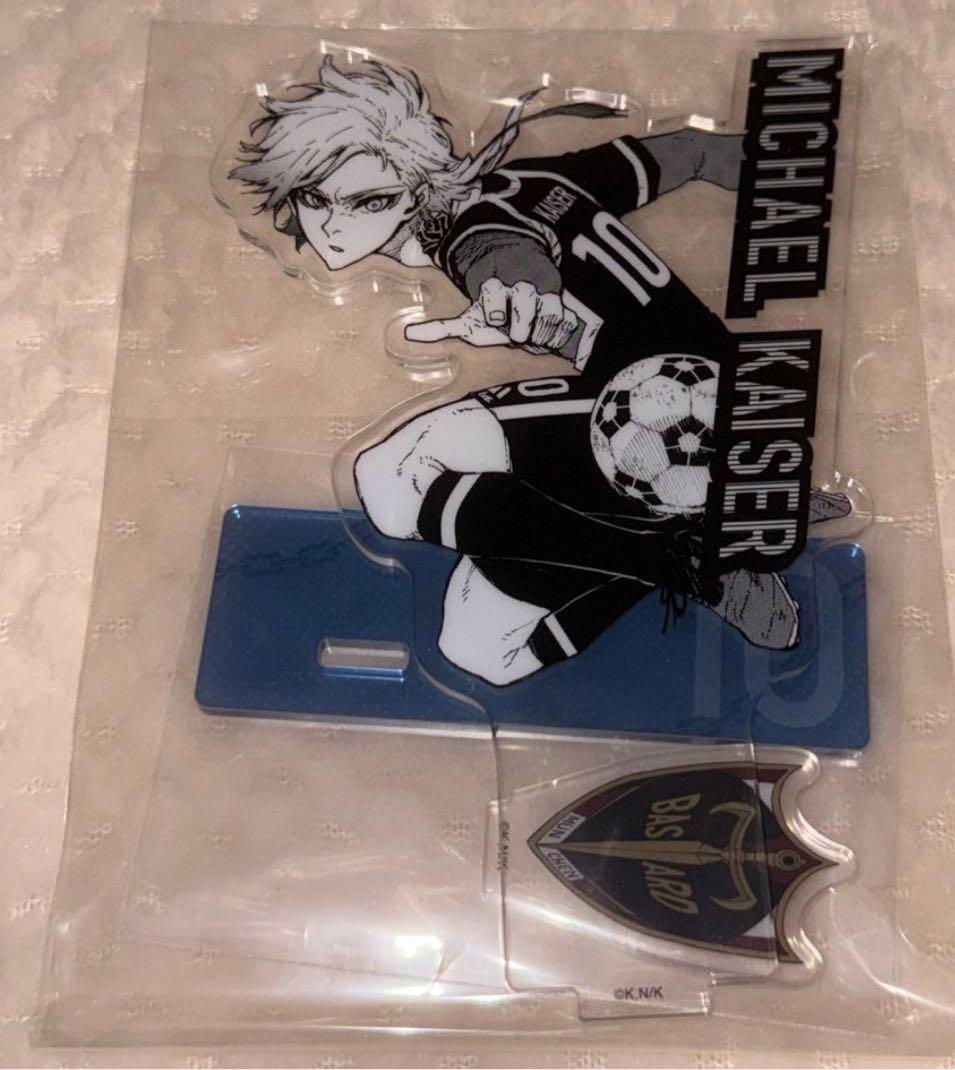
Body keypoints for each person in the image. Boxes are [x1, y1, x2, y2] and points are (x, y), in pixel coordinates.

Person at [231, 57, 849, 686]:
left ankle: (686, 558)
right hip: (716, 413)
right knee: (475, 647)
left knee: (390, 475)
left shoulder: (473, 230)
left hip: (664, 408)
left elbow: (508, 262)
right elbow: (691, 151)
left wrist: (516, 299)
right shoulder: (538, 181)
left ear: (417, 187)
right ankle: (681, 530)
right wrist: (794, 166)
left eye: (369, 201)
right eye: (315, 198)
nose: (334, 224)